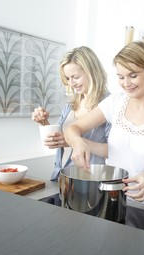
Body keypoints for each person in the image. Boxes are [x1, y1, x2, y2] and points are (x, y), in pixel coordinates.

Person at [64, 41, 144, 211]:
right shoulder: (115, 102)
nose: (126, 83)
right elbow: (72, 129)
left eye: (133, 75)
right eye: (121, 77)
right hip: (111, 196)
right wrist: (78, 142)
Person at [32, 46, 110, 181]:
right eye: (68, 78)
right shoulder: (71, 105)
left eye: (76, 77)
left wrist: (74, 141)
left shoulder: (109, 105)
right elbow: (60, 139)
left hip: (89, 181)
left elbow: (113, 150)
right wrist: (43, 122)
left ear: (92, 72)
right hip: (61, 176)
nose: (71, 83)